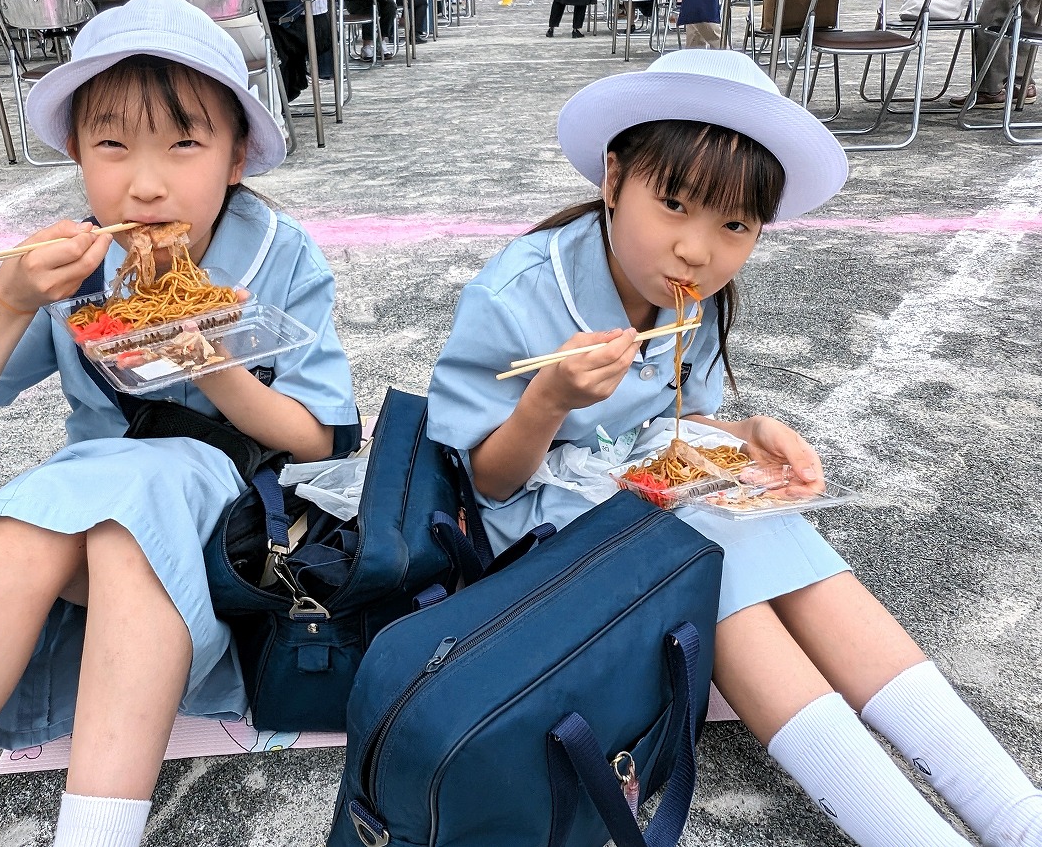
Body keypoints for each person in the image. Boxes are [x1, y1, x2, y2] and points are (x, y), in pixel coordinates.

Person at [425, 48, 1042, 847]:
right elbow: (487, 482)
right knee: (712, 563)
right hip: (535, 521)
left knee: (768, 531)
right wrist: (549, 399)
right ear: (613, 179)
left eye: (735, 225)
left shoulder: (697, 299)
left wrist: (749, 436)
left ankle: (1019, 816)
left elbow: (682, 424)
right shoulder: (517, 292)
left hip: (637, 482)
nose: (697, 250)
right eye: (673, 202)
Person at [0, 0, 358, 847]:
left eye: (185, 143)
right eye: (112, 145)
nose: (145, 183)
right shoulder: (70, 269)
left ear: (237, 155)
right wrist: (5, 298)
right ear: (75, 153)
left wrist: (209, 359)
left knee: (124, 523)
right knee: (19, 531)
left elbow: (322, 436)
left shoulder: (281, 254)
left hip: (235, 524)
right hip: (92, 506)